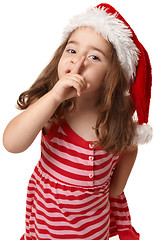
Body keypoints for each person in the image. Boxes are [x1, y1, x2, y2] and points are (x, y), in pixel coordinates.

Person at [3, 3, 152, 240]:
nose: (79, 62)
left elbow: (129, 147)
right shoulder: (52, 108)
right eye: (72, 51)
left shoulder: (116, 119)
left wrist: (115, 187)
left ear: (112, 74)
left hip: (94, 228)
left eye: (94, 56)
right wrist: (53, 97)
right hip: (49, 224)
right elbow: (12, 144)